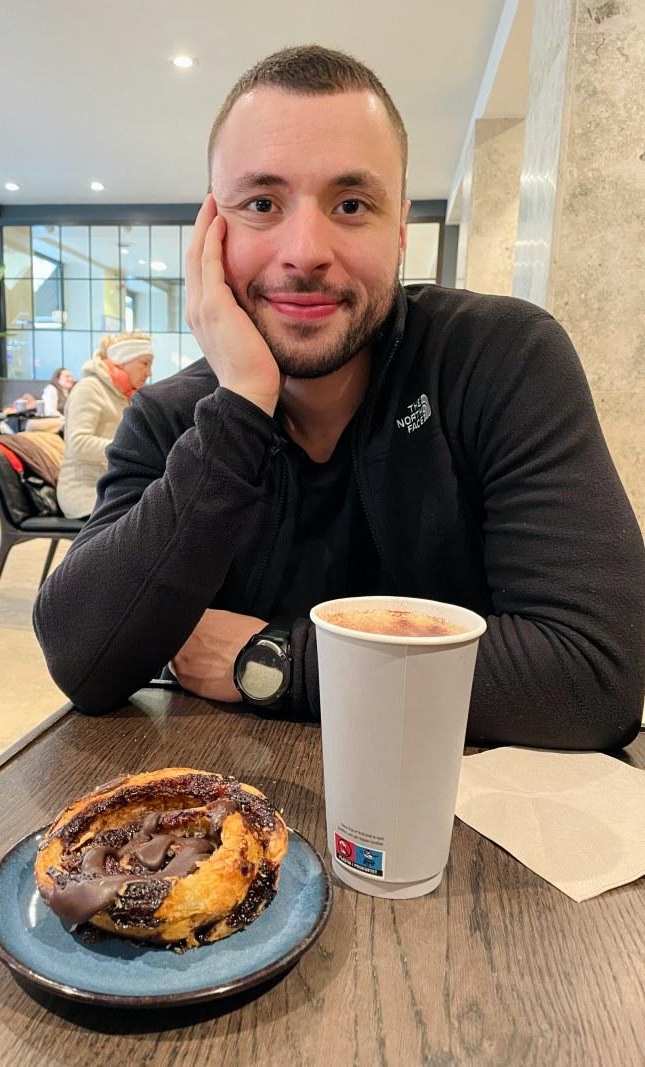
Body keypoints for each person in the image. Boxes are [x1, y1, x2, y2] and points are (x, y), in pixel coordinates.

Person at [34, 45, 644, 751]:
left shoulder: (500, 359)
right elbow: (85, 659)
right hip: (227, 827)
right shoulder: (174, 418)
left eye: (351, 205)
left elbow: (596, 675)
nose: (305, 250)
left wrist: (273, 662)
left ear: (400, 230)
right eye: (262, 204)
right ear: (212, 233)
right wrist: (240, 407)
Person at [56, 332, 153, 519]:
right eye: (145, 363)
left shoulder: (125, 395)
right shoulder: (89, 388)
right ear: (124, 361)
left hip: (111, 486)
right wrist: (128, 449)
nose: (149, 372)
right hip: (83, 491)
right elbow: (77, 442)